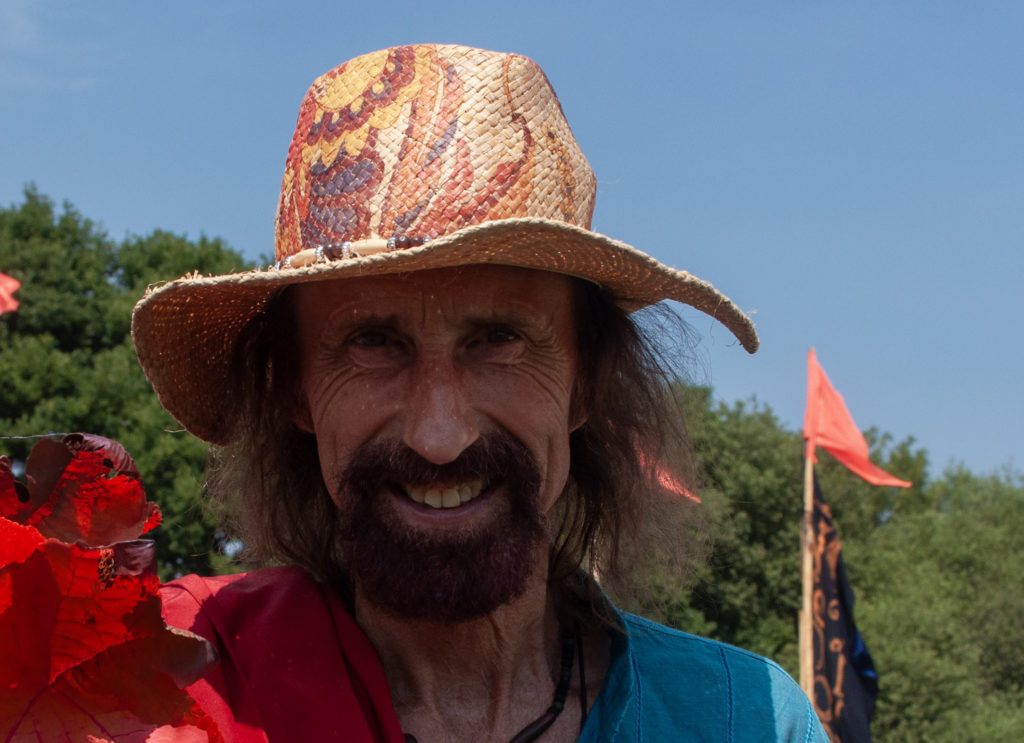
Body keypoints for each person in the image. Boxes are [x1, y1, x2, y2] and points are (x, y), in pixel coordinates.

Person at [132, 44, 827, 742]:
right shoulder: (167, 693)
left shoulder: (744, 720)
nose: (441, 433)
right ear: (297, 391)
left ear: (584, 381)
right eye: (373, 342)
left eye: (499, 338)